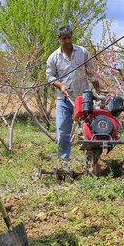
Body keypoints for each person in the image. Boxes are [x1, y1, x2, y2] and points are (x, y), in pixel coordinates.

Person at [46, 25, 106, 162]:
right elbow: (49, 76)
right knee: (63, 130)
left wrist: (98, 89)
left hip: (83, 99)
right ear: (59, 39)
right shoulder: (53, 58)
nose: (67, 41)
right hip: (64, 99)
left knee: (88, 128)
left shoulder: (82, 52)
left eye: (69, 38)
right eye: (64, 39)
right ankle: (64, 159)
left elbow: (91, 72)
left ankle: (91, 158)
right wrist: (60, 85)